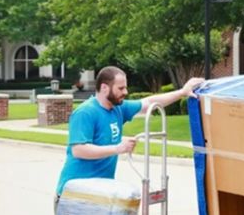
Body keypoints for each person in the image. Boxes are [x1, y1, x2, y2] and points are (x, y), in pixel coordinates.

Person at [55, 66, 204, 204]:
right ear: (104, 88)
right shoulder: (85, 112)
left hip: (99, 194)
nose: (125, 92)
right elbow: (79, 150)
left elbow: (149, 103)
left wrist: (182, 92)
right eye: (121, 88)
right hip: (74, 196)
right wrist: (117, 148)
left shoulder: (118, 108)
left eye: (125, 87)